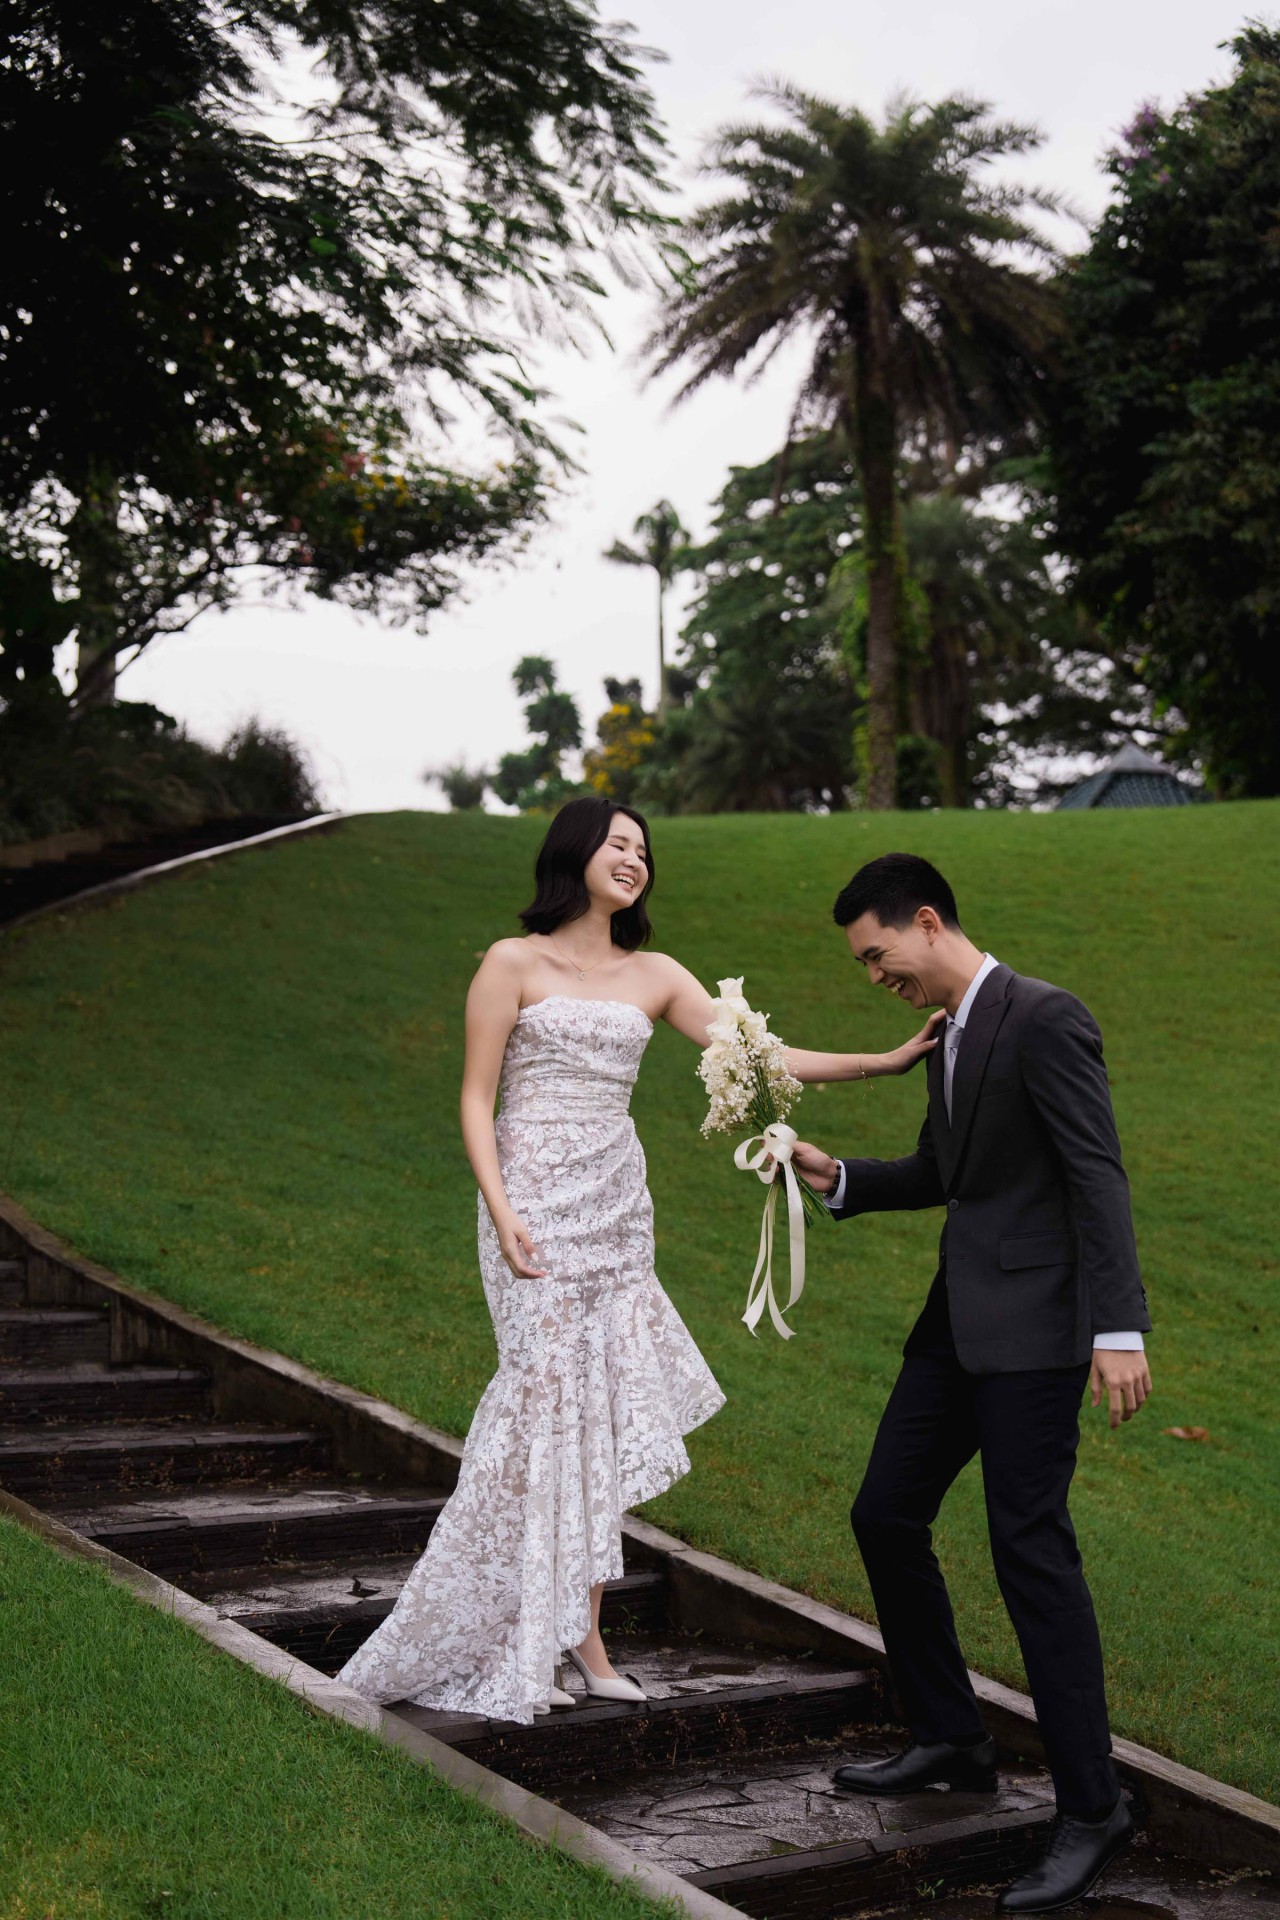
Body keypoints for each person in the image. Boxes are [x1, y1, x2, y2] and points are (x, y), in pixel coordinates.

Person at [337, 799, 938, 1724]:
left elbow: (761, 1056)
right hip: (533, 1203)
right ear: (575, 851)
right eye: (618, 844)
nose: (634, 859)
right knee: (541, 1403)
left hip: (615, 1208)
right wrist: (500, 1209)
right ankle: (508, 1630)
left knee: (598, 1415)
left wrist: (884, 1061)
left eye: (644, 851)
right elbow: (473, 1097)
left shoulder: (656, 973)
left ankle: (582, 1639)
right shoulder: (510, 962)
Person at [791, 852, 1152, 1916]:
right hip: (954, 1327)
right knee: (884, 1512)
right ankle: (952, 1738)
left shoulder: (1044, 1017)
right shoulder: (947, 1036)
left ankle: (1093, 1808)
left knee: (1028, 1549)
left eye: (877, 956)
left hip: (1041, 1335)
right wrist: (838, 1177)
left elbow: (1095, 1173)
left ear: (926, 920)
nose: (875, 978)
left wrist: (1117, 1327)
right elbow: (946, 1175)